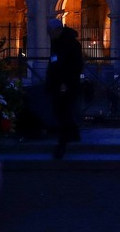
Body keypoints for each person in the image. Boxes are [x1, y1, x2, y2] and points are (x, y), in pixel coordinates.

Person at [45, 18, 84, 160]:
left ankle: (62, 144)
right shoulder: (56, 42)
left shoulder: (72, 44)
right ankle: (73, 135)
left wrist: (65, 82)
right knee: (61, 112)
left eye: (50, 32)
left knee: (63, 113)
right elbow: (54, 62)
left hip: (66, 84)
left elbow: (76, 66)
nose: (49, 35)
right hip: (57, 83)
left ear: (58, 30)